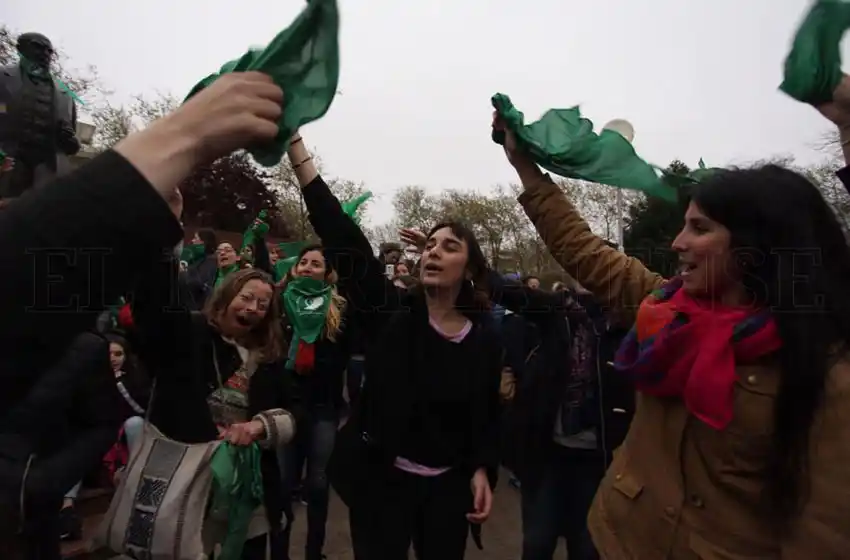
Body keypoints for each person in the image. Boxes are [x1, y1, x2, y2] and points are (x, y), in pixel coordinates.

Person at [494, 93, 850, 556]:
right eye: (683, 226)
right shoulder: (663, 307)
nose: (678, 243)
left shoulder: (826, 368)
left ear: (759, 245)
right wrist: (525, 169)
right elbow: (581, 249)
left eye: (700, 229)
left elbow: (824, 531)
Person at [0, 70, 286, 559]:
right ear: (225, 297)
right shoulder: (190, 335)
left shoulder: (268, 356)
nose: (253, 306)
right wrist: (161, 226)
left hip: (240, 497)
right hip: (174, 486)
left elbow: (293, 408)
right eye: (246, 296)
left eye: (263, 302)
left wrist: (260, 428)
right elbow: (158, 305)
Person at [288, 131, 502, 560]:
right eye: (430, 246)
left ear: (471, 268)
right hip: (381, 485)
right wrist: (296, 149)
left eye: (450, 246)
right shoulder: (391, 316)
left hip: (446, 493)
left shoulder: (484, 343)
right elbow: (343, 238)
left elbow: (483, 416)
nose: (433, 253)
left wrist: (480, 468)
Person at [278, 244, 350, 560]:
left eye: (316, 264)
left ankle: (313, 552)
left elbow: (343, 356)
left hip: (323, 408)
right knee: (283, 485)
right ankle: (279, 552)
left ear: (327, 273)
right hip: (285, 410)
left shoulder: (339, 309)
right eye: (303, 262)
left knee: (318, 485)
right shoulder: (279, 306)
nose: (308, 267)